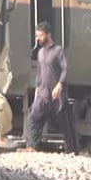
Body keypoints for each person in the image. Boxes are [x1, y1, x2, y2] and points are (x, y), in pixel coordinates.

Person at [21, 21, 79, 153]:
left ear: (48, 34)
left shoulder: (58, 51)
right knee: (33, 117)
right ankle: (32, 146)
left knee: (65, 123)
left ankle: (72, 149)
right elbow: (40, 73)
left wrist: (60, 85)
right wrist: (36, 91)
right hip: (42, 94)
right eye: (37, 36)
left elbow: (65, 69)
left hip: (56, 95)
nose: (38, 39)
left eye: (40, 36)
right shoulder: (40, 52)